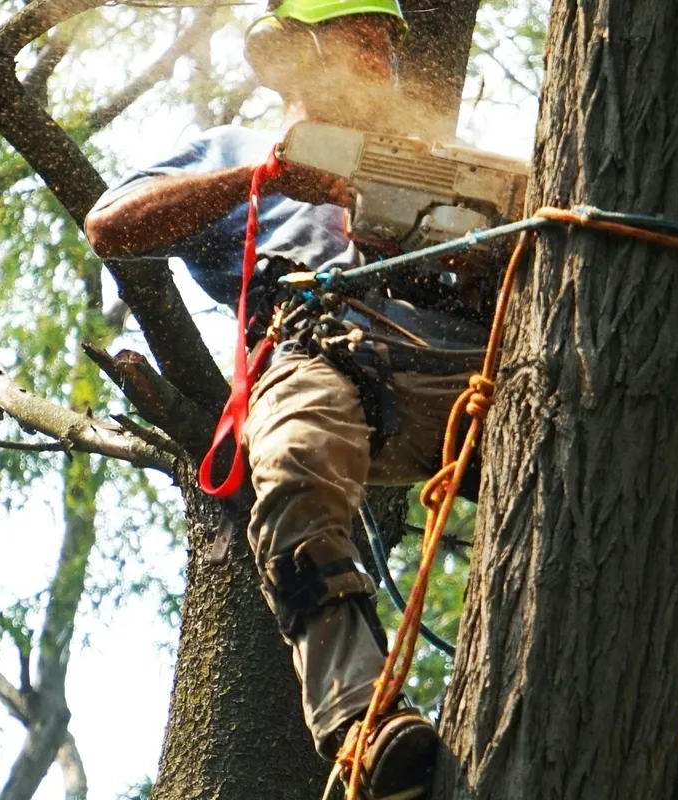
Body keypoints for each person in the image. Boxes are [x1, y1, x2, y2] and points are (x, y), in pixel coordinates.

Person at [84, 2, 489, 797]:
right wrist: (263, 175)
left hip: (453, 362)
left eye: (387, 47)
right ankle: (363, 728)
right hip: (319, 348)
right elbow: (109, 225)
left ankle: (609, 725)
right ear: (293, 54)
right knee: (297, 464)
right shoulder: (236, 152)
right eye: (360, 41)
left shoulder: (427, 160)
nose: (381, 63)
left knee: (573, 437)